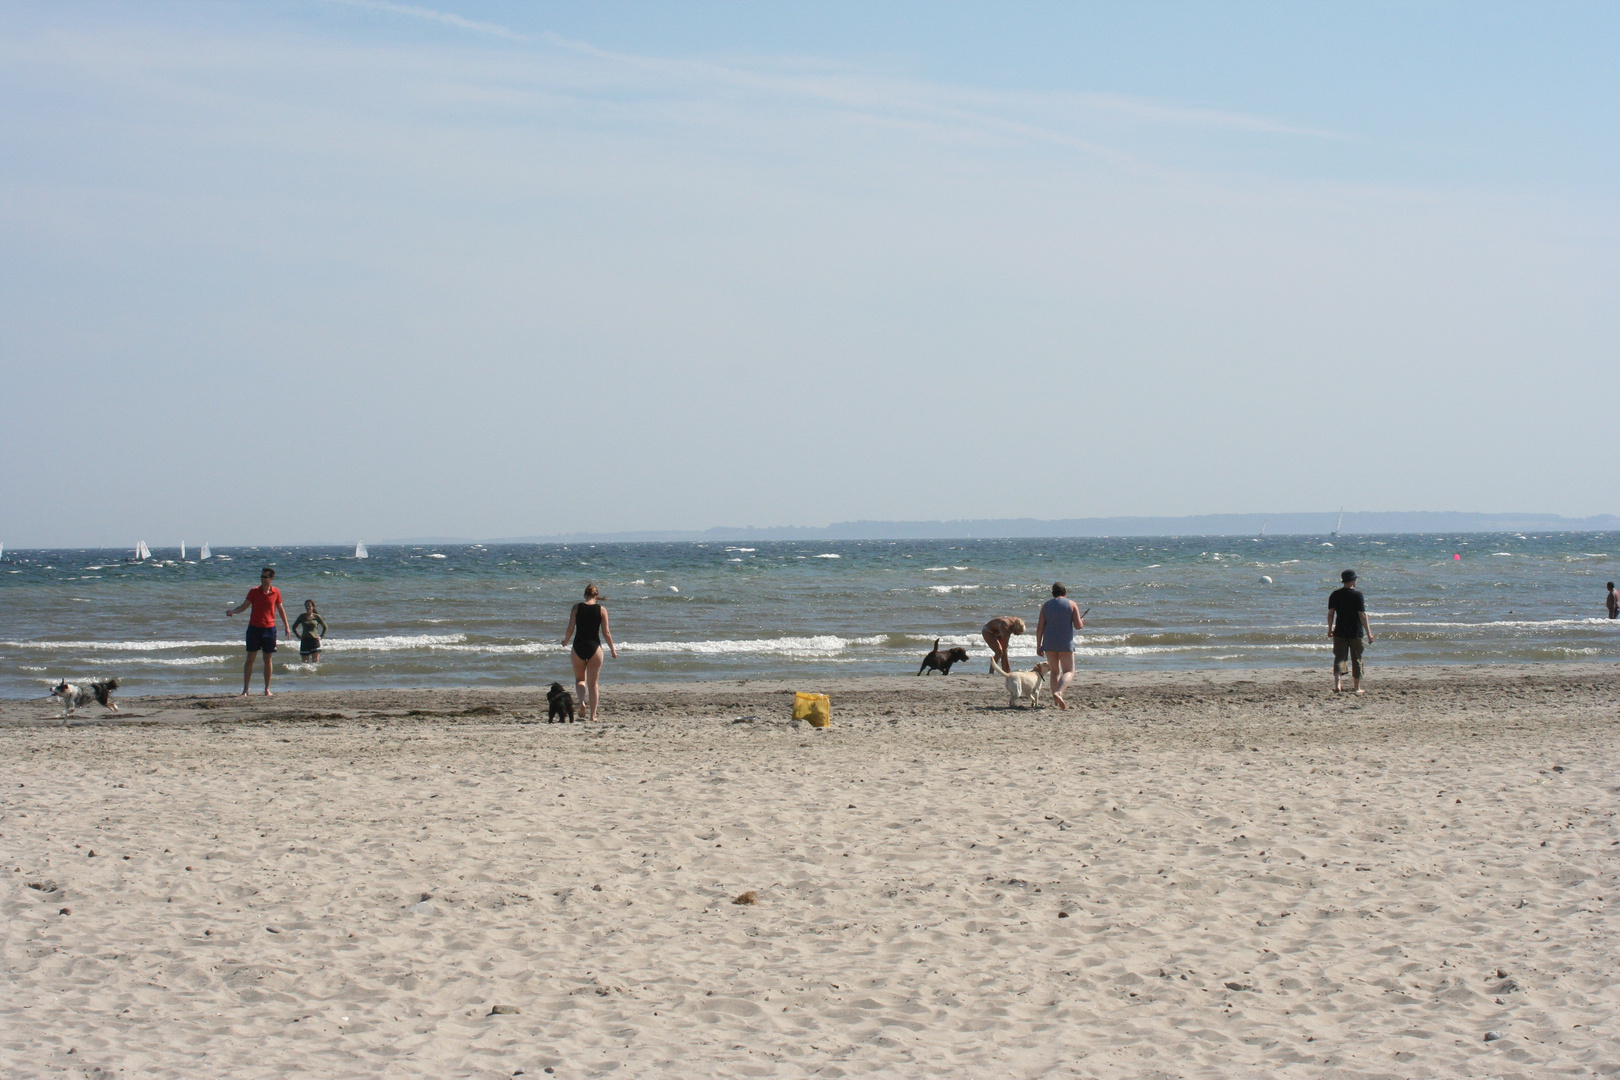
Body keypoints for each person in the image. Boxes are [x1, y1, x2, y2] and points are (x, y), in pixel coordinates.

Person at [227, 566, 291, 696]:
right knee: (250, 658)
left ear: (271, 579)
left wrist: (287, 626)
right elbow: (244, 606)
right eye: (261, 576)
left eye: (265, 577)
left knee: (268, 659)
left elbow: (280, 609)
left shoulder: (276, 592)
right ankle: (245, 689)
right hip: (254, 629)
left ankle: (267, 689)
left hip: (269, 629)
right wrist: (233, 611)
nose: (262, 579)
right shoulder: (254, 591)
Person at [561, 583, 617, 722]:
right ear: (596, 596)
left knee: (580, 680)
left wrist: (566, 641)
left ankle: (581, 703)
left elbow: (570, 629)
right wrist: (612, 649)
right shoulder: (601, 609)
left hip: (578, 646)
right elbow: (606, 632)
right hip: (595, 648)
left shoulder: (576, 607)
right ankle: (593, 716)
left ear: (585, 595)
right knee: (593, 684)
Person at [1034, 582, 1085, 710]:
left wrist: (1038, 645)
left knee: (1054, 672)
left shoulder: (1046, 606)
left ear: (1053, 593)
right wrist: (1082, 620)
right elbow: (1078, 626)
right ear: (1065, 592)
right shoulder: (1072, 604)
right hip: (1065, 642)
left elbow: (1040, 628)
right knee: (1069, 670)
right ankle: (1059, 693)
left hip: (1049, 642)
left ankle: (1055, 701)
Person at [1327, 569, 1374, 694]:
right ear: (1353, 580)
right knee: (1357, 658)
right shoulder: (1357, 595)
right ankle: (1357, 687)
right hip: (1355, 631)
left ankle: (1338, 685)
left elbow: (1331, 613)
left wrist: (1330, 628)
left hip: (1340, 630)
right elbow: (1362, 615)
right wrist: (1369, 633)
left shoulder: (1335, 594)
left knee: (1339, 657)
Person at [291, 599, 328, 663]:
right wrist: (299, 636)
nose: (308, 607)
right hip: (305, 641)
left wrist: (321, 637)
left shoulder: (317, 617)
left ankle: (315, 673)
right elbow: (294, 627)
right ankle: (305, 673)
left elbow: (325, 627)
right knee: (305, 663)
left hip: (314, 641)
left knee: (315, 662)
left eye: (309, 606)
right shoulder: (302, 616)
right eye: (306, 606)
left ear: (313, 607)